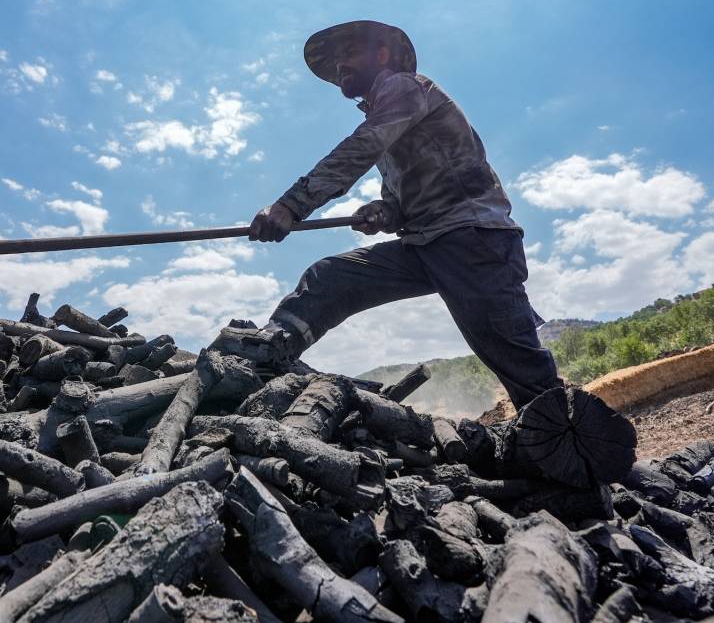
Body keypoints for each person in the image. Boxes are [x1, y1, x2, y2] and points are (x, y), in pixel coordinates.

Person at [214, 20, 561, 409]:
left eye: (349, 54)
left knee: (517, 362)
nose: (341, 65)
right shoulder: (387, 118)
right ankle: (267, 358)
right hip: (426, 243)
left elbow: (360, 149)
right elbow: (396, 201)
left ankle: (566, 435)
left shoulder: (405, 87)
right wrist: (383, 212)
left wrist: (291, 205)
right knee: (330, 277)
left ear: (382, 54)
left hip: (471, 238)